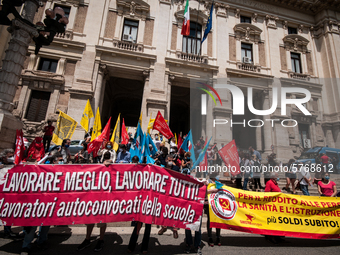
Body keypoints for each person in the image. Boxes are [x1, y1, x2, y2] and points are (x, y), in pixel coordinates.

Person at [264, 172, 284, 244]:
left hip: (277, 206)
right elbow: (267, 193)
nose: (278, 177)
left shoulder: (275, 183)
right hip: (272, 206)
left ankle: (277, 236)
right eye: (277, 176)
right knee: (272, 222)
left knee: (277, 222)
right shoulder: (269, 183)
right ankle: (270, 237)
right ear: (273, 177)